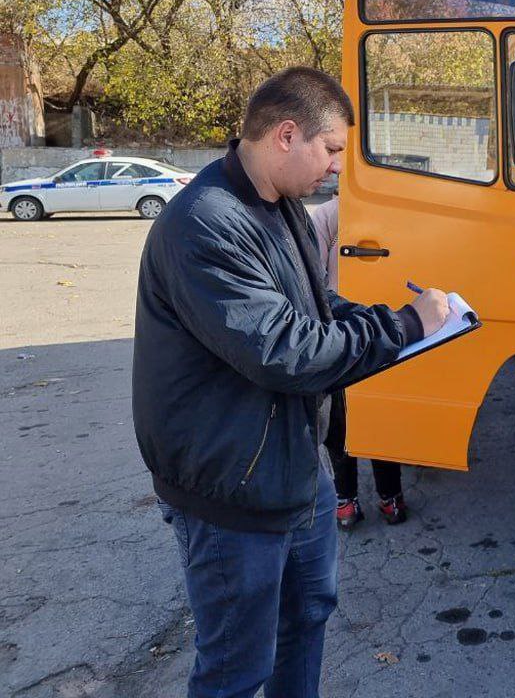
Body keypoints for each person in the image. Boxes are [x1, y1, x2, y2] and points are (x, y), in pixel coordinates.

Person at [132, 66, 450, 698]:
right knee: (235, 668)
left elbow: (313, 305)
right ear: (285, 135)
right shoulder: (205, 224)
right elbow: (285, 350)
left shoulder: (282, 208)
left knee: (307, 619)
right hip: (234, 491)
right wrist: (406, 328)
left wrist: (392, 320)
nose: (336, 167)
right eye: (330, 150)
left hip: (296, 471)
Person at [310, 193, 408, 528]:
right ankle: (378, 499)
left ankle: (357, 500)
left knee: (356, 421)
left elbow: (314, 282)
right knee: (363, 419)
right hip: (368, 332)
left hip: (357, 333)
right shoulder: (332, 215)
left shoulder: (328, 214)